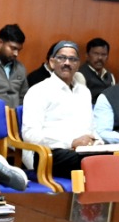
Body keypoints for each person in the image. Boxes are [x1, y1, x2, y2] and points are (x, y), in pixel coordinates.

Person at [18, 40, 98, 179]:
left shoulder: (84, 92)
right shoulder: (38, 91)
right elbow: (30, 135)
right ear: (52, 62)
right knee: (93, 163)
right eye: (61, 58)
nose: (67, 63)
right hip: (48, 154)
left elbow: (91, 129)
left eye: (72, 59)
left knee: (114, 157)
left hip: (81, 152)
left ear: (78, 64)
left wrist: (96, 142)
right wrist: (70, 142)